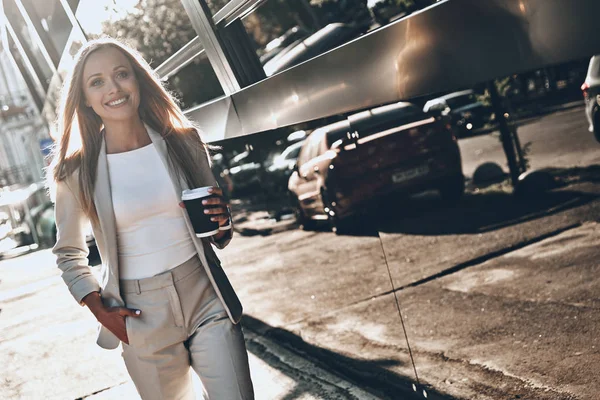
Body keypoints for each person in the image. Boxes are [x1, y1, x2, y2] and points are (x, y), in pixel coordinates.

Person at [47, 37, 254, 400]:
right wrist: (99, 309)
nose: (113, 88)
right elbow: (68, 253)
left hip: (205, 294)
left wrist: (222, 220)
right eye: (97, 82)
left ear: (138, 80)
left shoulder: (184, 142)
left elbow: (219, 230)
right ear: (85, 99)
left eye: (121, 74)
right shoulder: (76, 173)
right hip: (139, 314)